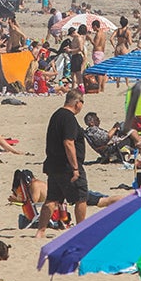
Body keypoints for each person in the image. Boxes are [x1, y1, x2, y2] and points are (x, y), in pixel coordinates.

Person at [36, 90, 88, 238]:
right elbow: (68, 143)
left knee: (51, 199)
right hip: (67, 166)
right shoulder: (69, 118)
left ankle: (40, 231)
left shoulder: (56, 115)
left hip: (53, 164)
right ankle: (80, 231)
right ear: (78, 103)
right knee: (81, 198)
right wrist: (75, 168)